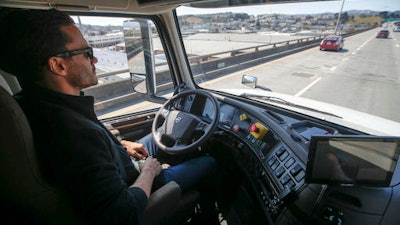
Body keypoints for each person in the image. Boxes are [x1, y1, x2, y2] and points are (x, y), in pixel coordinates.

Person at [0, 8, 219, 225]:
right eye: (87, 52)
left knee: (159, 136)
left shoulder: (35, 102)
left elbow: (92, 153)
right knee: (209, 161)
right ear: (58, 65)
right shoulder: (76, 134)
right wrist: (150, 172)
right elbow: (121, 215)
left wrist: (121, 145)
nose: (94, 60)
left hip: (122, 163)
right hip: (138, 182)